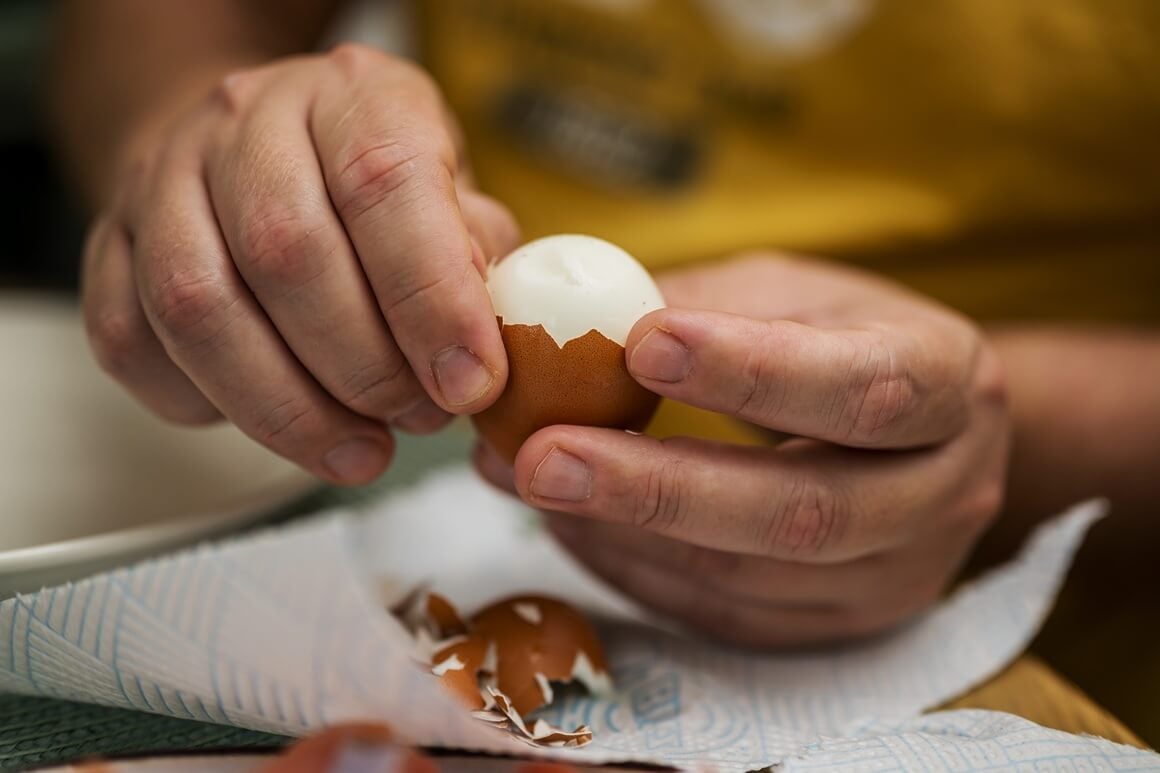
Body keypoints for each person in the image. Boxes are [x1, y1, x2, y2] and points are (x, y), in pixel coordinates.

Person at [49, 0, 1158, 719]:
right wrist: (190, 158)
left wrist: (1000, 430)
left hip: (1033, 647)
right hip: (422, 512)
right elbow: (164, 26)